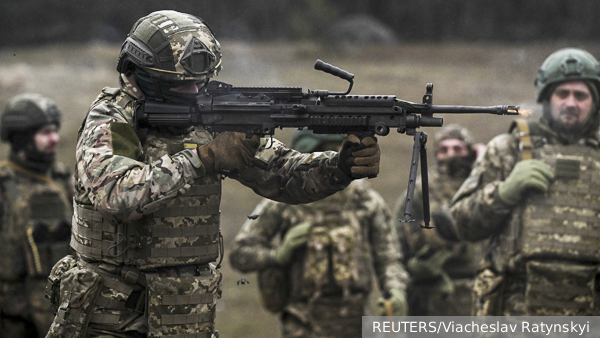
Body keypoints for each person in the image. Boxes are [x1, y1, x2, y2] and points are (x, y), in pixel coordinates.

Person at [45, 10, 381, 338]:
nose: (195, 92)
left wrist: (338, 167)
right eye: (181, 84)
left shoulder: (208, 114)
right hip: (111, 321)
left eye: (200, 83)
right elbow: (116, 194)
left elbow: (283, 174)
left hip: (185, 318)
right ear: (142, 75)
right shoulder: (114, 120)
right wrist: (202, 159)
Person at [439, 48, 600, 316]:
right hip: (515, 315)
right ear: (546, 98)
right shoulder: (508, 149)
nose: (571, 103)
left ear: (594, 102)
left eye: (581, 95)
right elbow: (459, 225)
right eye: (562, 94)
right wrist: (504, 193)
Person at [229, 129, 408, 338]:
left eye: (339, 151)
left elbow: (388, 257)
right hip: (303, 323)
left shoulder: (365, 200)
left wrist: (395, 290)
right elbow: (240, 253)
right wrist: (277, 254)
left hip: (357, 322)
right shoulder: (284, 201)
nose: (334, 159)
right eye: (326, 152)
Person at [393, 124, 486, 316]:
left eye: (457, 148)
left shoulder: (482, 183)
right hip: (435, 287)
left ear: (469, 151)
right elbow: (400, 235)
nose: (451, 154)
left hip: (480, 284)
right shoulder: (421, 188)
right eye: (444, 149)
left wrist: (484, 162)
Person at [0, 93, 73, 338]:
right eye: (45, 132)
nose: (55, 139)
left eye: (55, 130)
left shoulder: (64, 180)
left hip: (61, 312)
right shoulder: (3, 186)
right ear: (21, 138)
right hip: (12, 319)